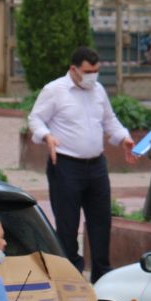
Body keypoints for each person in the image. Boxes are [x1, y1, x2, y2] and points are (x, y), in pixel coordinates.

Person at [27, 46, 137, 282]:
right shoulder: (55, 90)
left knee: (101, 221)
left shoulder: (98, 90)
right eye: (88, 71)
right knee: (67, 225)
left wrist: (123, 138)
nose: (92, 75)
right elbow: (35, 118)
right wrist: (47, 136)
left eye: (96, 70)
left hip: (96, 165)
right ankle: (70, 276)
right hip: (66, 165)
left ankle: (101, 274)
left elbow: (110, 121)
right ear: (73, 69)